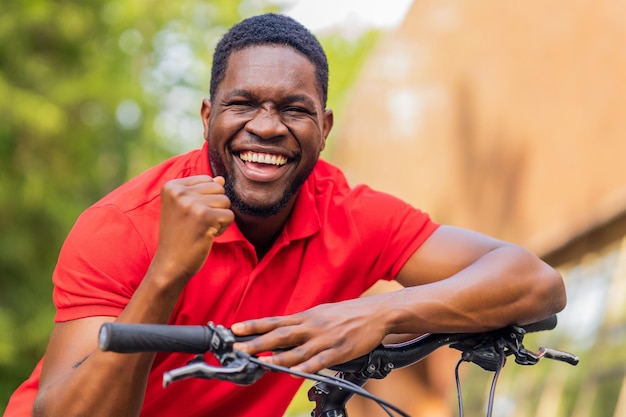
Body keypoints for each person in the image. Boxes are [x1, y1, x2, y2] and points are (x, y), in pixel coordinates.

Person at [4, 13, 566, 417]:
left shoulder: (349, 213)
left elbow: (535, 281)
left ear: (323, 127)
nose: (267, 126)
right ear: (208, 117)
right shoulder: (123, 225)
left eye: (293, 109)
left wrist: (379, 315)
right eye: (243, 103)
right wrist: (167, 273)